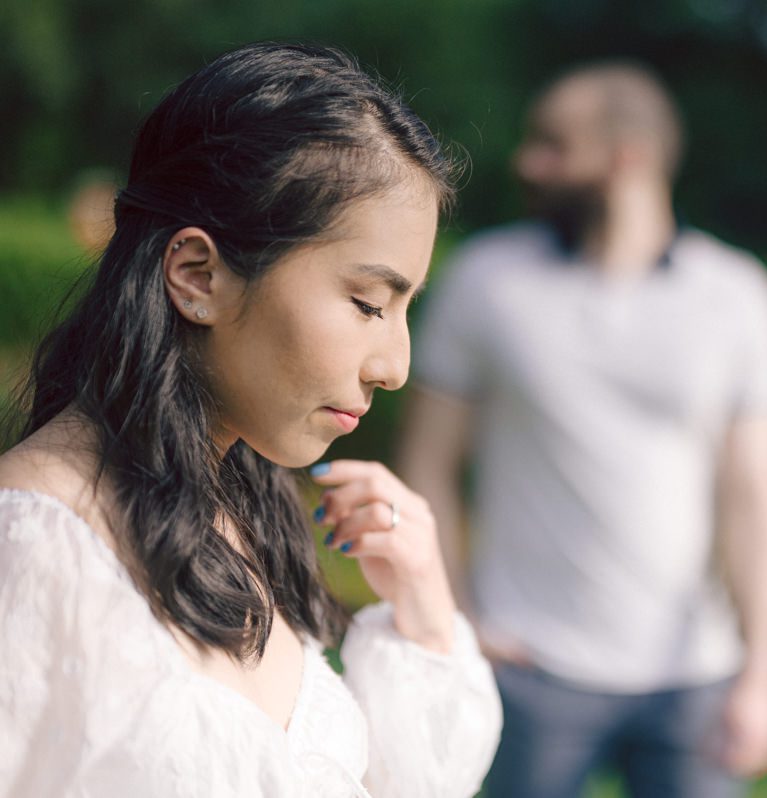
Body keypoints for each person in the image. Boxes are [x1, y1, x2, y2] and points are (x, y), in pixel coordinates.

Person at [0, 43, 500, 797]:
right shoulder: (31, 548)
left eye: (405, 309)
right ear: (198, 276)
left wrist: (424, 614)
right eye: (367, 303)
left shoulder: (245, 517)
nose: (392, 364)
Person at [397, 61, 767, 798]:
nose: (528, 161)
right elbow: (426, 461)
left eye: (553, 144)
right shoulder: (486, 282)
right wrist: (456, 621)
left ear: (629, 156)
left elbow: (761, 497)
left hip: (696, 676)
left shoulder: (738, 296)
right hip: (529, 670)